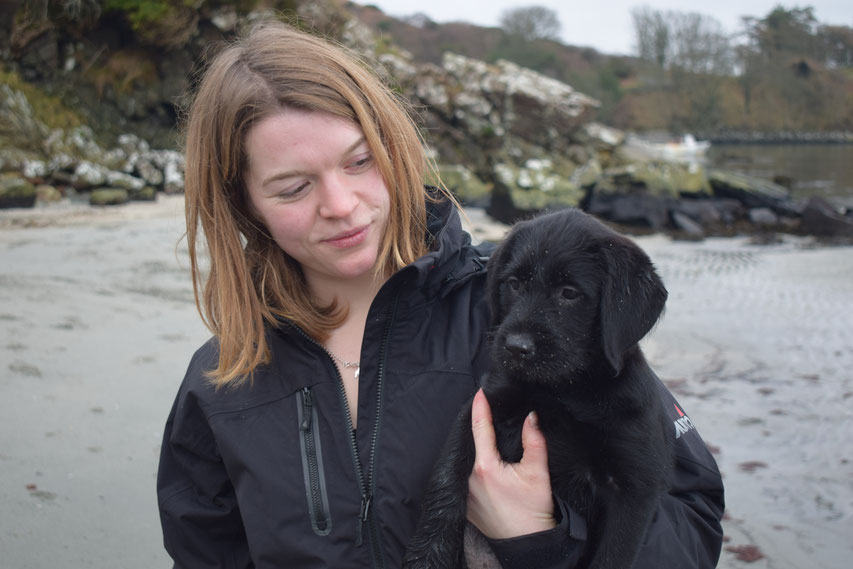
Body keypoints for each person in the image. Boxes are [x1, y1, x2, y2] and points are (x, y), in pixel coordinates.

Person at [156, 19, 725, 569]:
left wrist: (542, 538)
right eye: (293, 187)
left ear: (394, 146)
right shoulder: (222, 382)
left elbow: (691, 525)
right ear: (243, 204)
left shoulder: (521, 323)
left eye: (359, 161)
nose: (341, 204)